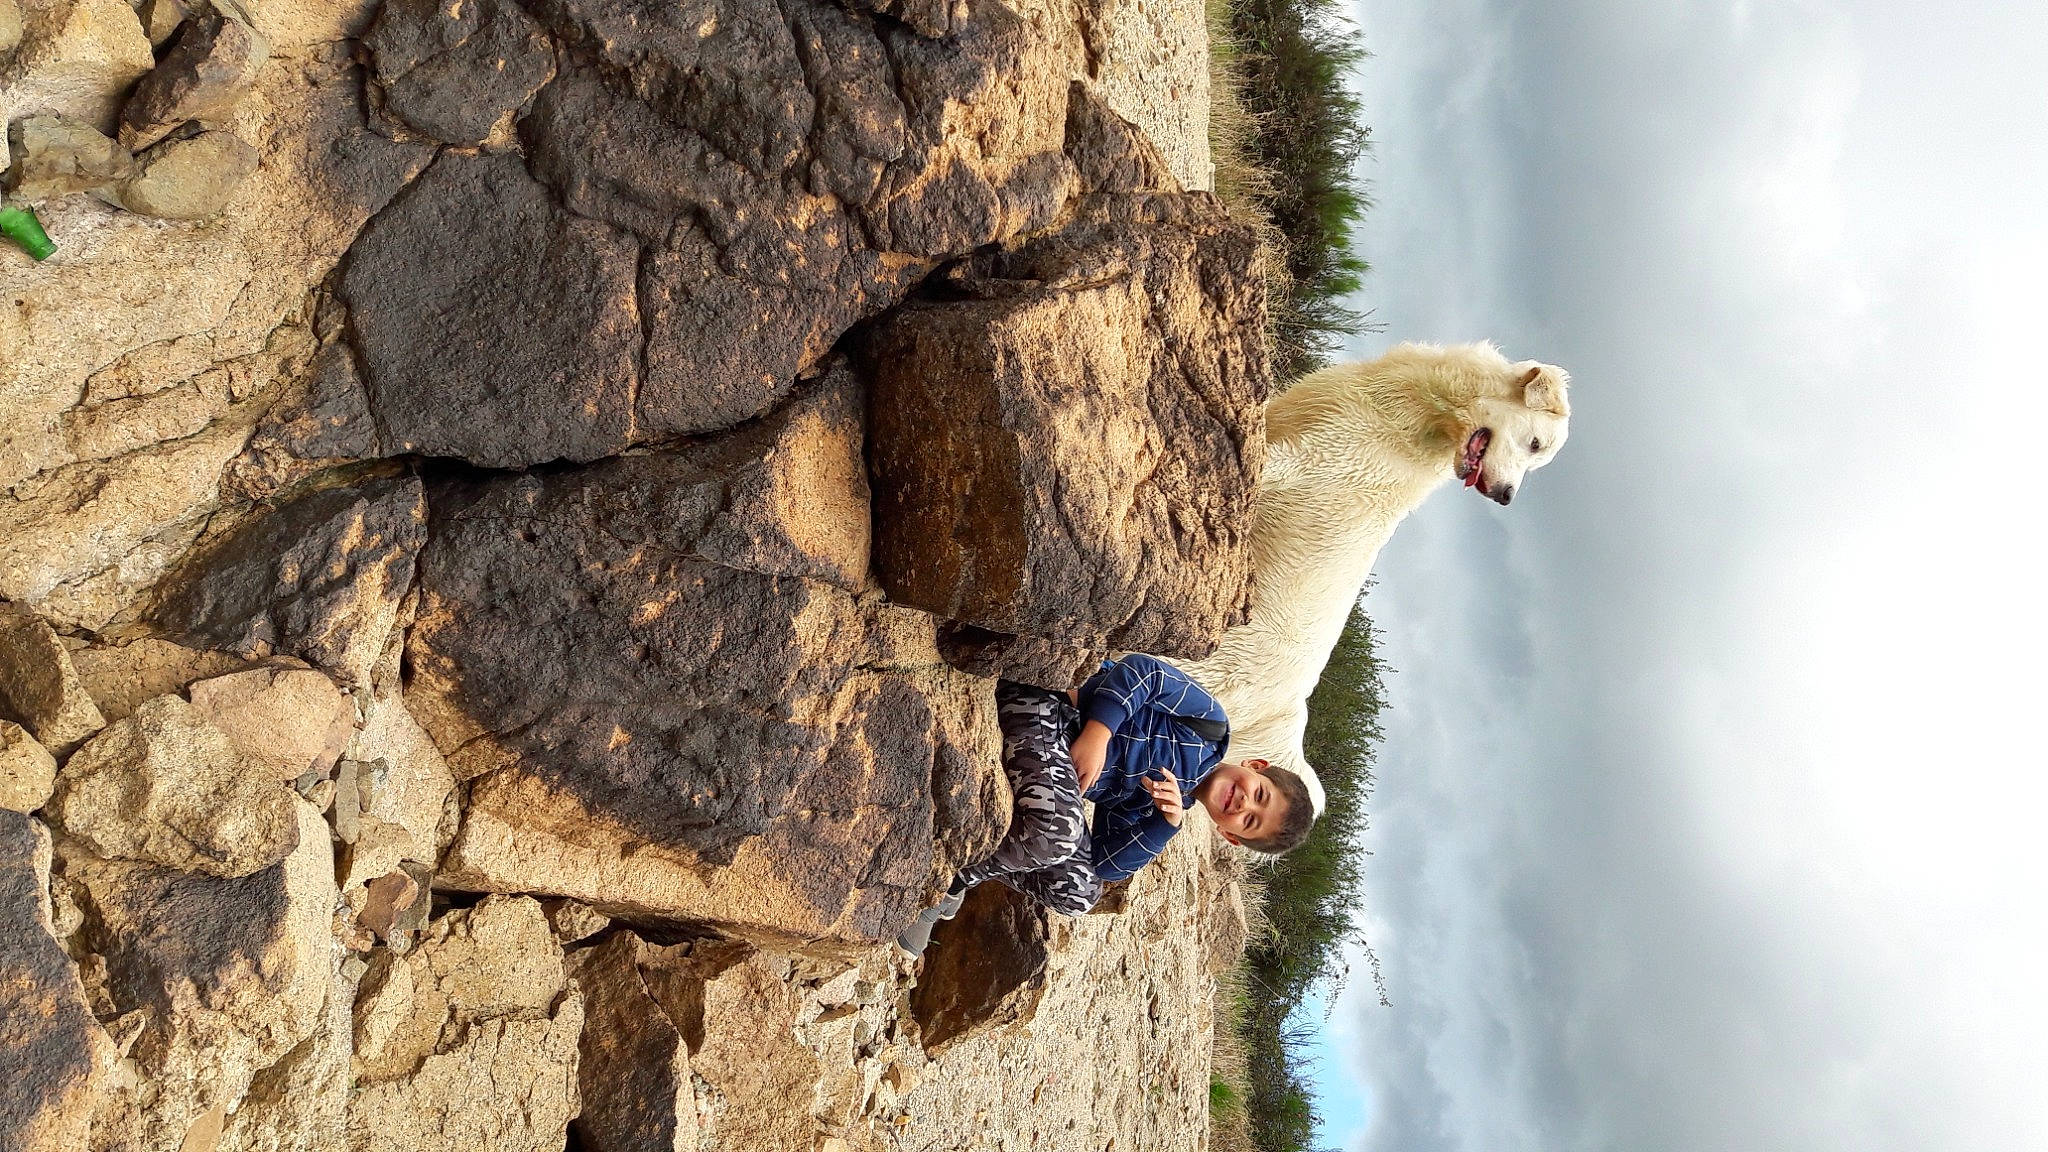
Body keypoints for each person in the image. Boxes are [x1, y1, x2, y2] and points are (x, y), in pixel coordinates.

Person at [897, 652, 1316, 956]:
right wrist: (1099, 733)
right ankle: (952, 882)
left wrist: (1162, 825)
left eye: (1249, 820)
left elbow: (1104, 864)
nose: (1243, 802)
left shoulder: (1169, 808)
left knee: (1080, 894)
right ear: (1256, 766)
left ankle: (972, 864)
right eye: (1259, 793)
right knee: (1057, 835)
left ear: (1230, 835)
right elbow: (1145, 671)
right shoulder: (1210, 726)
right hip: (1048, 704)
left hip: (1051, 764)